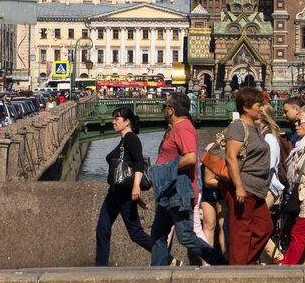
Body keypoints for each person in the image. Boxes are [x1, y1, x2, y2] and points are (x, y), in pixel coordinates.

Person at [150, 91, 225, 267]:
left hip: (179, 192)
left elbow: (191, 157)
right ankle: (156, 274)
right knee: (158, 234)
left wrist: (165, 169)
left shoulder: (184, 127)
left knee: (185, 236)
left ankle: (220, 263)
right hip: (169, 191)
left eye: (165, 106)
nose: (164, 110)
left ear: (171, 110)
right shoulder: (176, 128)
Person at [95, 108, 152, 266]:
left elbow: (139, 162)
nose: (113, 122)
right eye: (114, 119)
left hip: (124, 193)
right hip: (114, 192)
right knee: (102, 229)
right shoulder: (123, 140)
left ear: (127, 122)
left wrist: (136, 187)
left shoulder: (130, 138)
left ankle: (167, 257)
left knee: (135, 233)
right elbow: (129, 167)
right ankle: (100, 267)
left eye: (117, 119)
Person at [224, 86, 275, 265]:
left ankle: (246, 263)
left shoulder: (254, 127)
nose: (261, 108)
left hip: (257, 190)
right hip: (244, 187)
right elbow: (231, 157)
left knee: (265, 228)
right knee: (241, 233)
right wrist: (238, 186)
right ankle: (238, 271)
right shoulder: (238, 126)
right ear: (246, 107)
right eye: (258, 105)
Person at [281, 105, 305, 265]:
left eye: (300, 122)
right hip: (301, 194)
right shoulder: (300, 144)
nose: (296, 124)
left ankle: (287, 266)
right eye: (296, 121)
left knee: (299, 233)